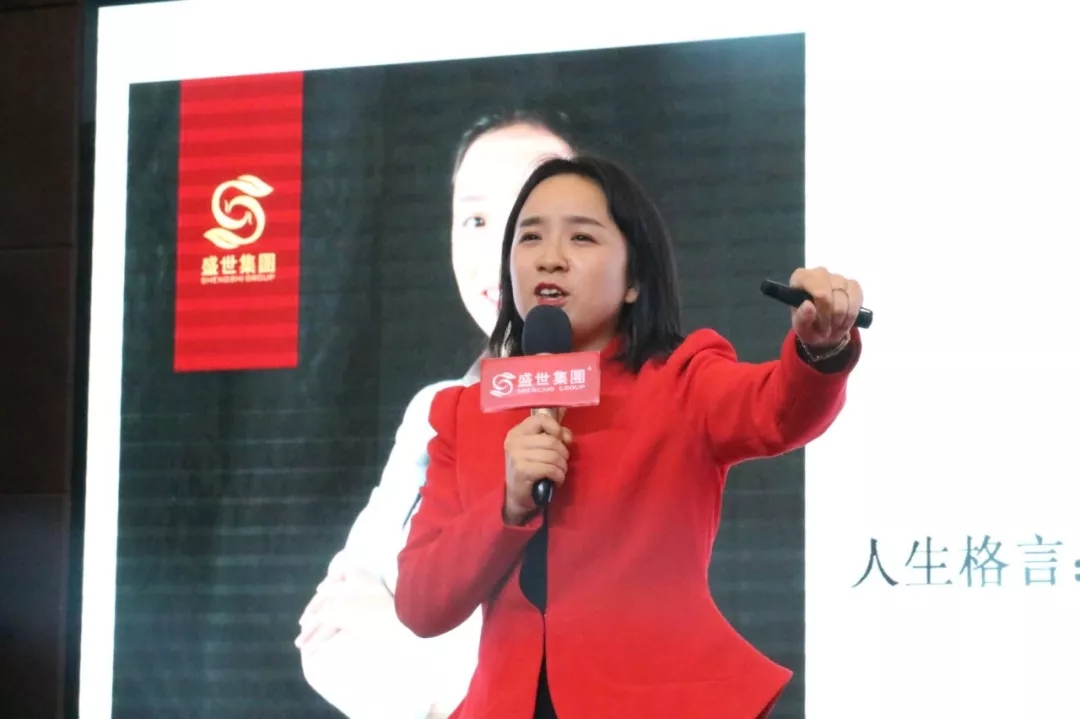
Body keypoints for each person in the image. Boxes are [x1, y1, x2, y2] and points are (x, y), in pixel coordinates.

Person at [393, 156, 864, 719]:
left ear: (635, 280)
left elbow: (779, 409)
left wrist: (821, 348)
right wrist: (508, 505)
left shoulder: (681, 381)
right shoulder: (465, 413)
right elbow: (421, 604)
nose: (550, 257)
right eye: (530, 237)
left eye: (582, 237)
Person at [295, 111, 577, 719]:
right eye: (476, 220)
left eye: (534, 214)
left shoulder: (650, 404)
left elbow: (584, 670)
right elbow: (328, 631)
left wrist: (395, 631)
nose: (501, 248)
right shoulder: (433, 409)